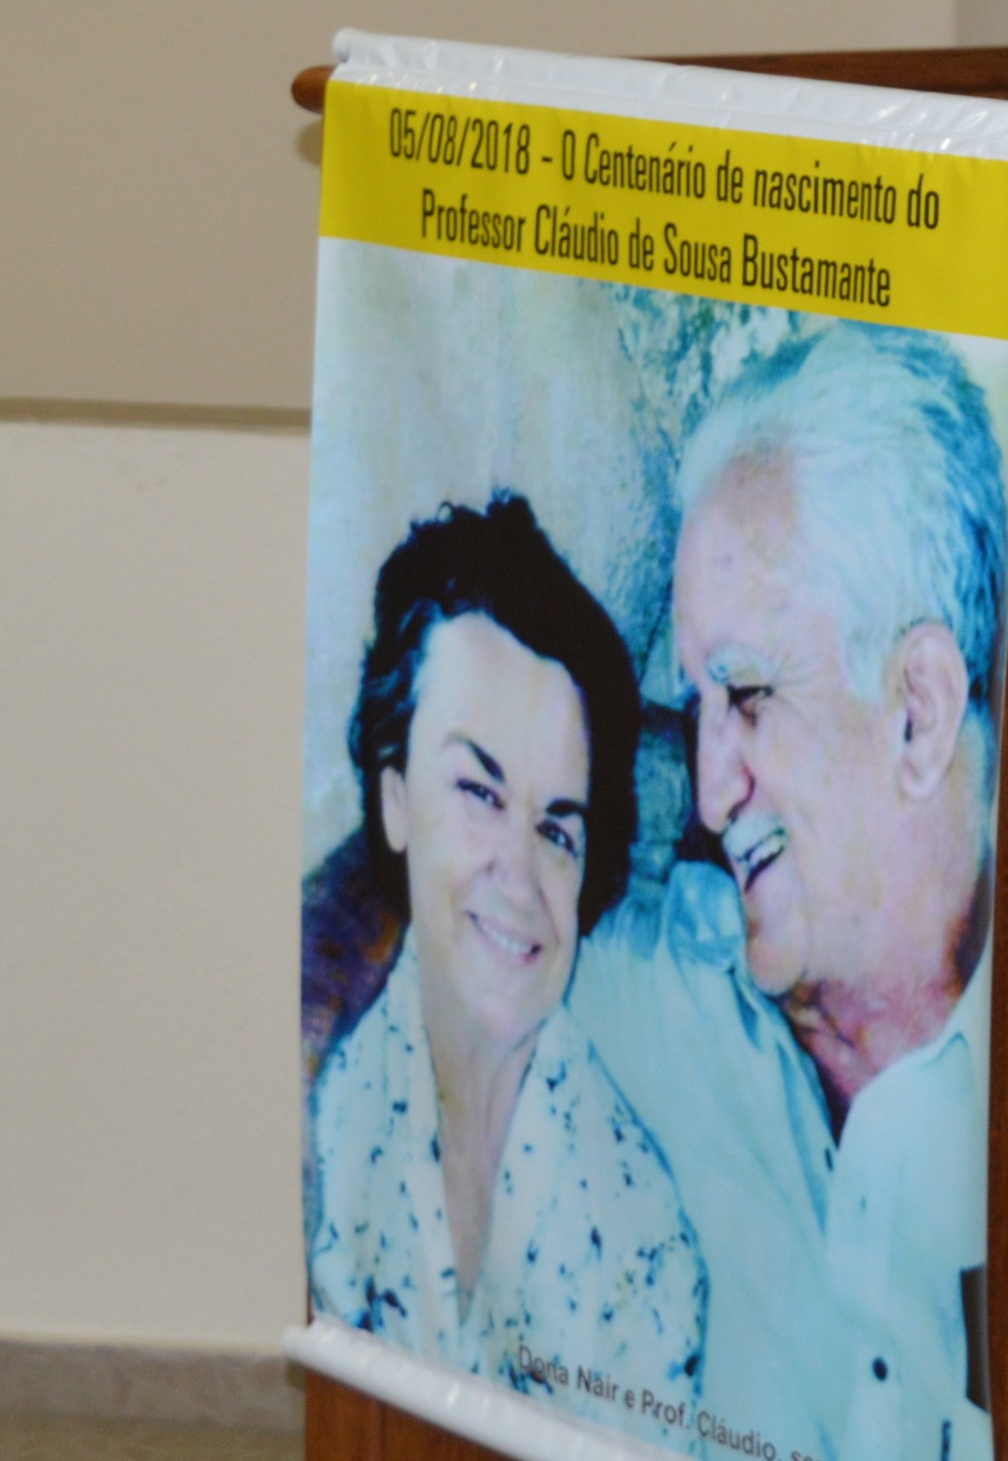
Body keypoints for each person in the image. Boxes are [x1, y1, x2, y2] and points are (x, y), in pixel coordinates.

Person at [570, 326, 1008, 1461]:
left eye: (749, 694)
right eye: (695, 710)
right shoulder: (652, 991)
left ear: (917, 712)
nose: (712, 789)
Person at [310, 497, 709, 1440]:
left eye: (556, 829)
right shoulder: (319, 1112)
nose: (520, 879)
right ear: (395, 799)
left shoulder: (645, 1246)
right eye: (479, 791)